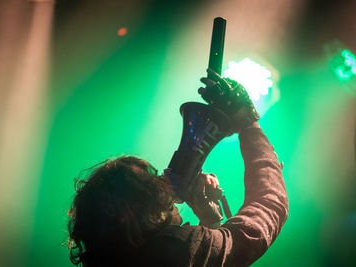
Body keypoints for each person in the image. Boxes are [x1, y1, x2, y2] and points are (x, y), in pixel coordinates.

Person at [67, 69, 289, 266]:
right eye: (151, 182)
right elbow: (265, 210)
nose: (163, 183)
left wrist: (209, 221)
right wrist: (247, 120)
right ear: (138, 209)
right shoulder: (174, 246)